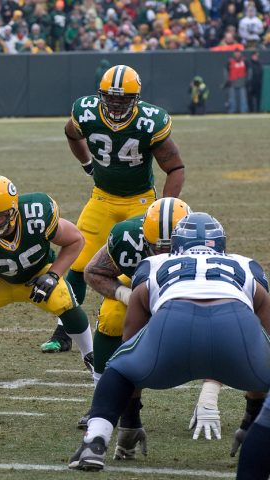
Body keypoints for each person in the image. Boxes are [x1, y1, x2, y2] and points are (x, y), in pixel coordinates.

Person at [69, 212, 270, 471]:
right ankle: (257, 426)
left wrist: (130, 420)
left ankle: (95, 442)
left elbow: (130, 337)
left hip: (174, 321)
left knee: (119, 366)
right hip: (235, 323)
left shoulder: (154, 263)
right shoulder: (247, 264)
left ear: (176, 243)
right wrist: (252, 418)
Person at [43, 64, 185, 350]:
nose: (116, 104)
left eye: (123, 99)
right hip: (102, 198)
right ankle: (65, 330)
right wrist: (87, 163)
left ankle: (147, 324)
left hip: (140, 201)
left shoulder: (149, 121)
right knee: (78, 264)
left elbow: (175, 168)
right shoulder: (86, 112)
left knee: (136, 267)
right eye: (111, 97)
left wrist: (163, 208)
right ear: (101, 95)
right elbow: (71, 133)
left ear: (136, 99)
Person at [79, 198, 215, 438]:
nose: (164, 254)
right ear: (144, 237)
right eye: (158, 248)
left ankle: (211, 400)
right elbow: (93, 272)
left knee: (213, 326)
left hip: (191, 292)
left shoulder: (206, 240)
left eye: (171, 247)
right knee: (111, 316)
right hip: (142, 287)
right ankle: (103, 397)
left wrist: (209, 396)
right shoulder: (128, 237)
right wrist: (124, 294)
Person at [0, 176, 94, 380]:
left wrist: (53, 275)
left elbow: (76, 240)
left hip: (38, 276)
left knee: (65, 301)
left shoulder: (36, 214)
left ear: (12, 212)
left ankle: (91, 355)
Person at [225, 48, 248, 114]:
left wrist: (247, 79)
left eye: (238, 52)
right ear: (234, 53)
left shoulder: (244, 61)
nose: (237, 54)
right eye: (236, 53)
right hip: (232, 81)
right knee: (232, 99)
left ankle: (243, 111)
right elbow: (226, 71)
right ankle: (232, 111)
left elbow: (248, 70)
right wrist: (227, 79)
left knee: (243, 98)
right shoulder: (230, 61)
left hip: (242, 81)